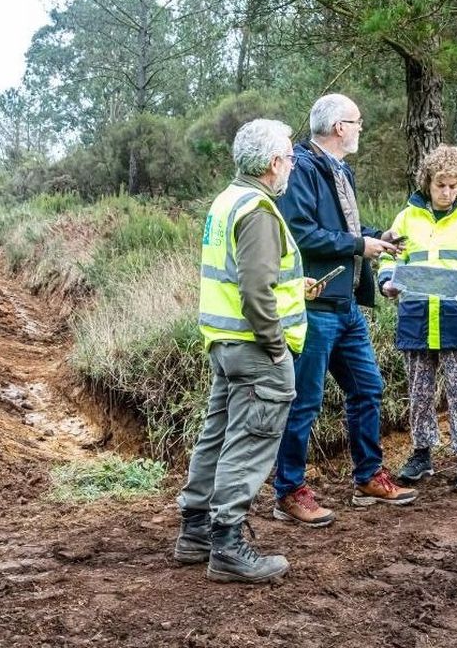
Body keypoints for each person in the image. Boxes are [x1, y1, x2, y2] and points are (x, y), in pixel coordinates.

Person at [174, 119, 313, 583]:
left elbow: (247, 280)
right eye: (290, 157)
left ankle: (195, 531)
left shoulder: (226, 200)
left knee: (216, 436)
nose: (293, 164)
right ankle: (228, 545)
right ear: (274, 163)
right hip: (257, 349)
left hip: (225, 343)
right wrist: (276, 346)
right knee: (248, 443)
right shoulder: (258, 209)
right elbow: (256, 291)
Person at [272, 93, 417, 527]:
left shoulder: (340, 171)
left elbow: (343, 230)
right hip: (315, 307)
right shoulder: (301, 169)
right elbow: (300, 234)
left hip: (347, 306)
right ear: (339, 128)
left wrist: (379, 237)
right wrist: (359, 245)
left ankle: (369, 477)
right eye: (357, 123)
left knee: (368, 389)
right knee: (305, 402)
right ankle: (288, 491)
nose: (360, 130)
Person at [377, 145, 457, 491]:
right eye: (440, 185)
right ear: (427, 183)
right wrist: (386, 281)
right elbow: (389, 260)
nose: (447, 192)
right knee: (418, 390)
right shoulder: (406, 218)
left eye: (454, 186)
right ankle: (421, 453)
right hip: (416, 316)